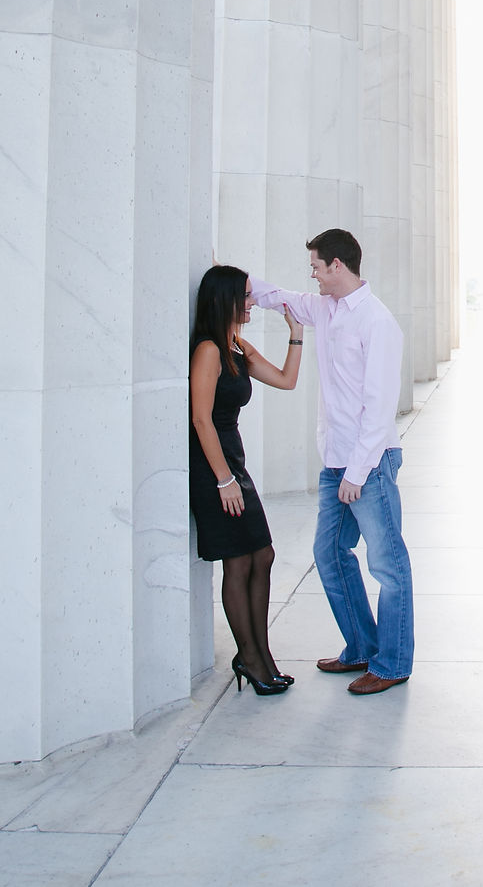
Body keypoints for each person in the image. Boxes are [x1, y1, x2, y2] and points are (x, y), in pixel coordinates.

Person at [250, 229, 413, 695]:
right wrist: (239, 281)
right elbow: (278, 297)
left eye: (317, 268)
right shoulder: (325, 309)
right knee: (329, 553)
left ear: (338, 266)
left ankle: (393, 664)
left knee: (388, 564)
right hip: (336, 461)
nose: (314, 276)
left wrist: (357, 473)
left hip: (370, 463)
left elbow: (380, 407)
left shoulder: (378, 323)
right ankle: (362, 647)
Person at [189, 264, 304, 697]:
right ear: (226, 300)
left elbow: (286, 381)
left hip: (233, 463)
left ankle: (260, 654)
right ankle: (251, 659)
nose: (253, 301)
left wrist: (295, 332)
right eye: (247, 296)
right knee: (239, 560)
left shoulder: (236, 345)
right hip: (214, 468)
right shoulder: (208, 351)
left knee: (264, 555)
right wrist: (223, 480)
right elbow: (200, 418)